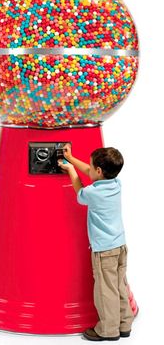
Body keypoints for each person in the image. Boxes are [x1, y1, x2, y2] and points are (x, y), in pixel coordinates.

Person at [58, 144, 134, 341]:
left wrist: (70, 170)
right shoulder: (116, 184)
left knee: (105, 290)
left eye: (91, 167)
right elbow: (90, 172)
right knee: (119, 285)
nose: (88, 169)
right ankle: (125, 323)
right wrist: (71, 158)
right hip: (120, 245)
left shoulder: (93, 193)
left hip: (104, 250)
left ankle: (108, 330)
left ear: (98, 171)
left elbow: (80, 193)